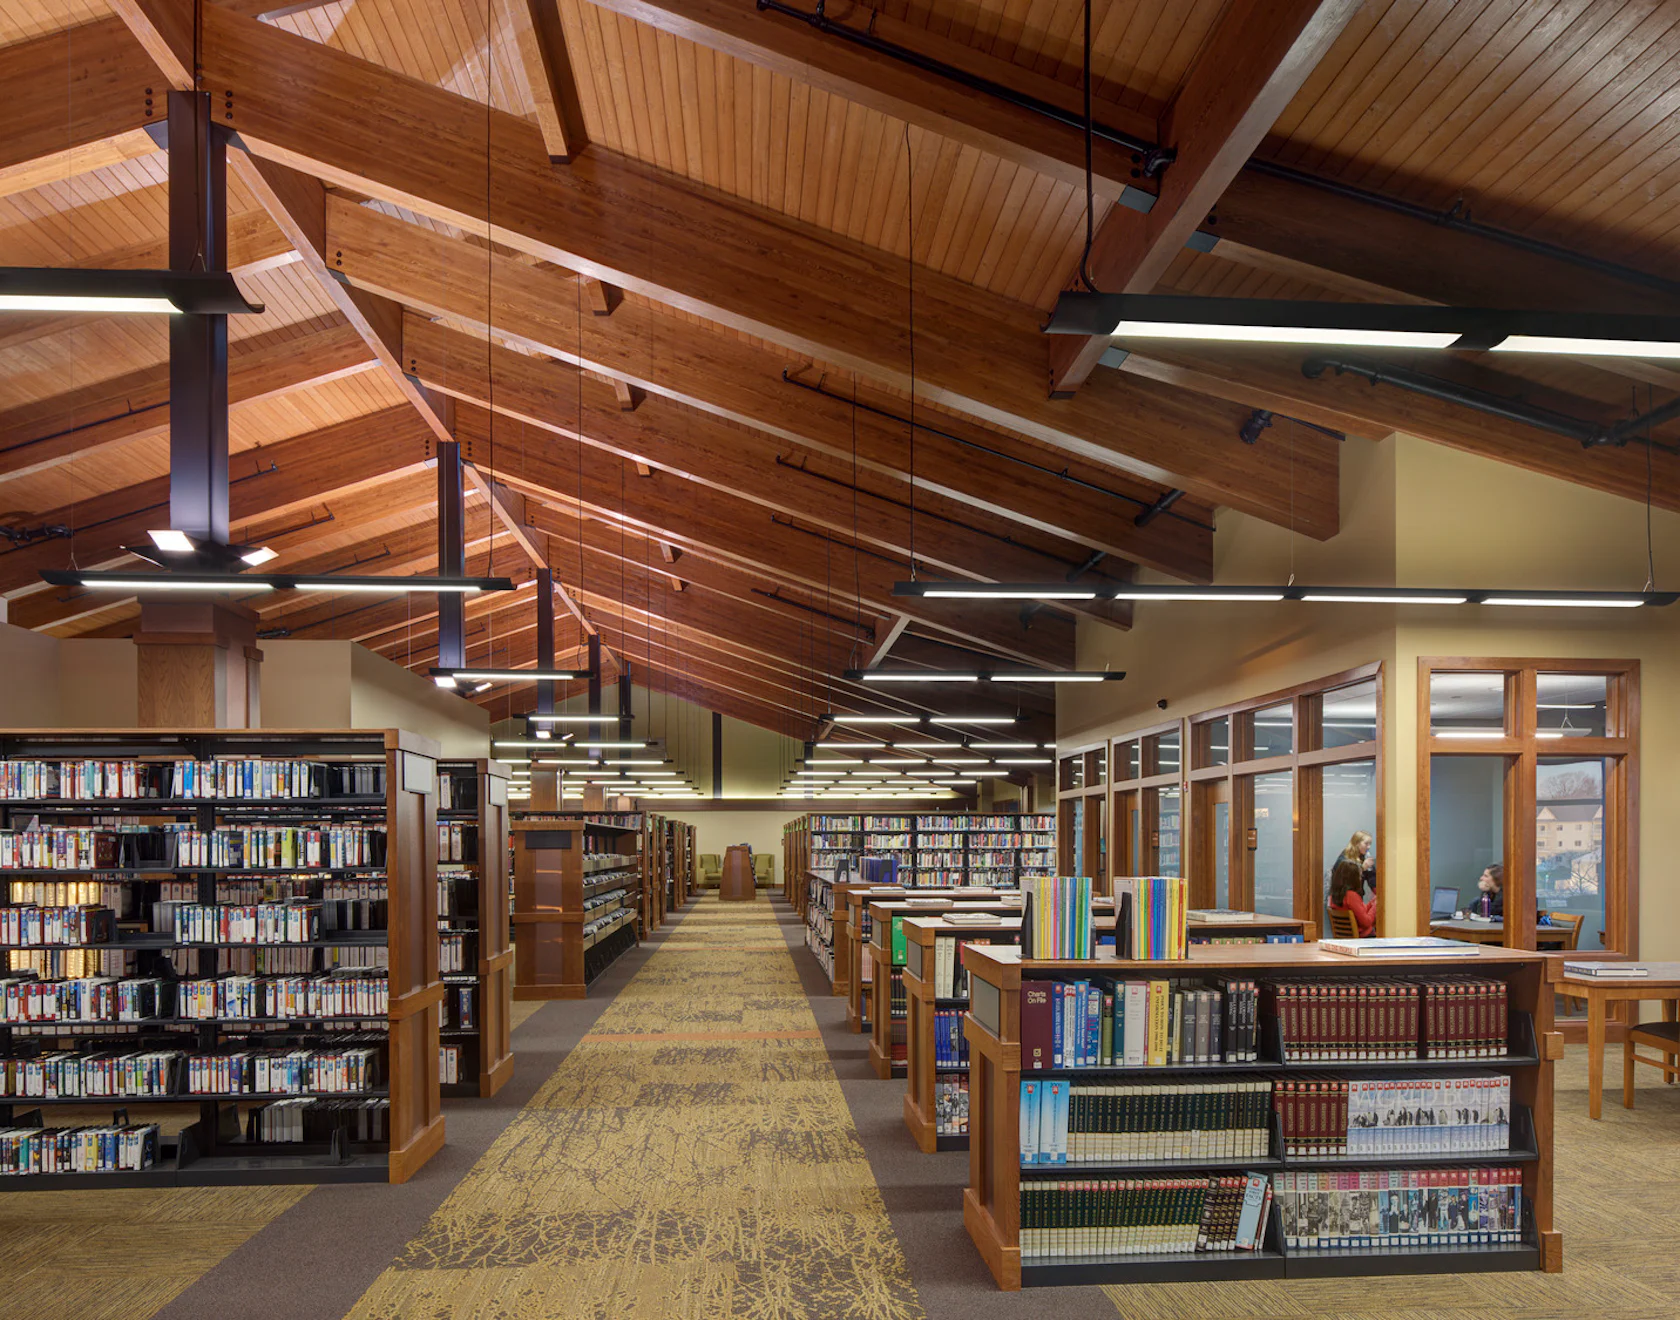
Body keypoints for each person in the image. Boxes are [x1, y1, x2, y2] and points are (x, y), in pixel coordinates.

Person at [1329, 857, 1376, 937]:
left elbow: (1360, 912)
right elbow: (1366, 922)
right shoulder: (1351, 896)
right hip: (1364, 938)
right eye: (1359, 876)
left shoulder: (1334, 896)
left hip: (1345, 938)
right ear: (1353, 878)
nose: (1360, 879)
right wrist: (1375, 907)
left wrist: (1372, 902)